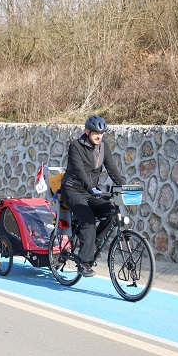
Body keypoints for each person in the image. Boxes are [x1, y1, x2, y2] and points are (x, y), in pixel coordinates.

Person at [61, 115, 125, 277]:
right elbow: (79, 171)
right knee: (88, 220)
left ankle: (91, 246)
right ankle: (84, 262)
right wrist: (91, 188)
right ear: (87, 131)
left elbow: (112, 169)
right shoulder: (76, 146)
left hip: (91, 191)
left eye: (102, 133)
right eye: (96, 132)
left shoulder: (103, 147)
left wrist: (124, 186)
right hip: (72, 190)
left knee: (111, 212)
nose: (99, 136)